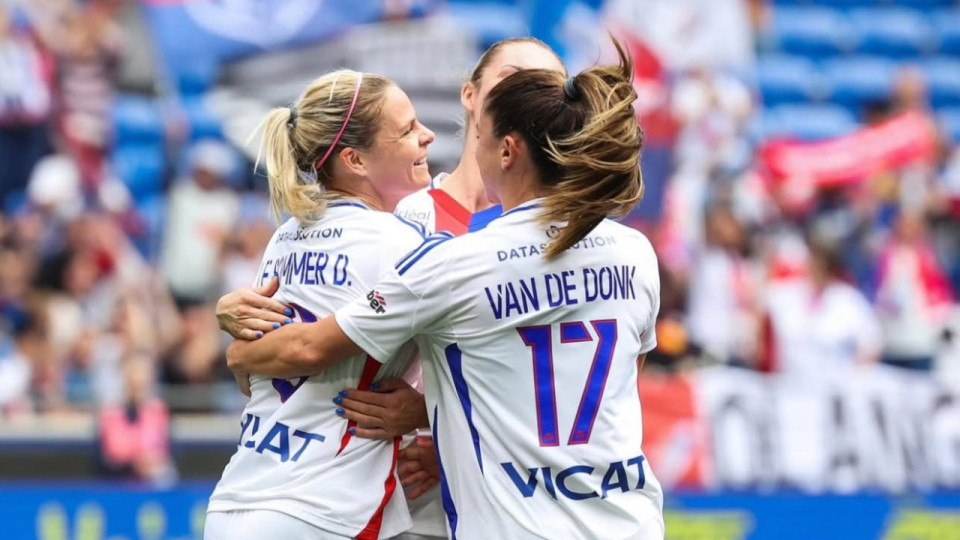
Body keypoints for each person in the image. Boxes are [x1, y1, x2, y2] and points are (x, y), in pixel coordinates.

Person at [226, 41, 665, 540]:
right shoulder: (635, 253)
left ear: (507, 145)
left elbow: (312, 344)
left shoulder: (447, 259)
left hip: (482, 515)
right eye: (514, 76)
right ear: (471, 95)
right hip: (617, 519)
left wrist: (240, 352)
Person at [205, 69, 436, 540]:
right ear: (354, 159)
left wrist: (236, 353)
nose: (427, 135)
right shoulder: (405, 244)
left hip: (237, 497)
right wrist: (429, 411)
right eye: (408, 129)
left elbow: (256, 368)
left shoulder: (283, 239)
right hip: (326, 507)